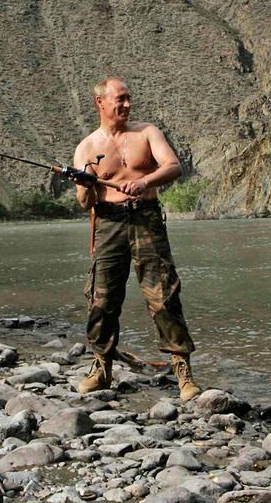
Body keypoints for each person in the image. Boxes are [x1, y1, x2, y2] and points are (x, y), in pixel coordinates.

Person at [71, 77, 202, 402]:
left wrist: (145, 182)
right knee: (102, 299)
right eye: (121, 99)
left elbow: (173, 167)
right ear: (100, 102)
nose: (128, 105)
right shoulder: (86, 148)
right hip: (109, 223)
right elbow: (85, 203)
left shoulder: (147, 132)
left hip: (146, 217)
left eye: (129, 98)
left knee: (164, 295)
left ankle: (183, 373)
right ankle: (102, 367)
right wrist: (86, 183)